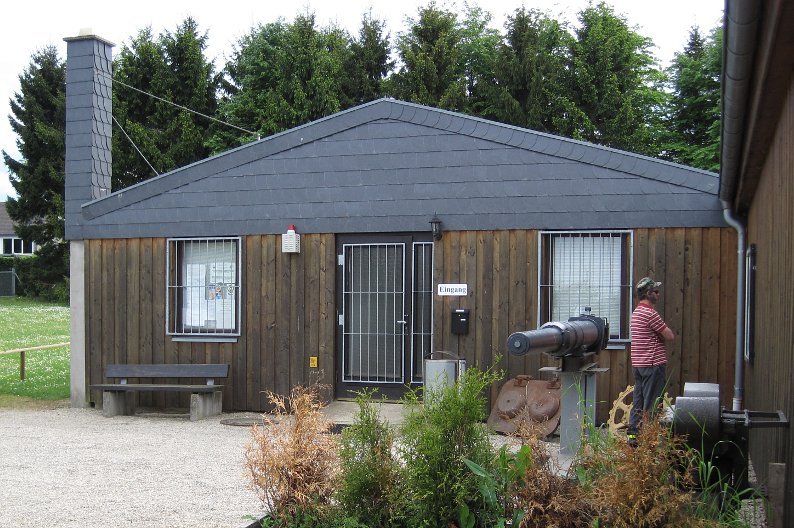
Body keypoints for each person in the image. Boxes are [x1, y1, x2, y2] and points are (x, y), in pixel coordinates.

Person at [627, 277, 675, 447]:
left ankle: (633, 439)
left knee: (638, 403)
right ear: (648, 294)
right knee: (652, 405)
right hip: (653, 365)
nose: (658, 294)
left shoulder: (636, 313)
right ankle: (649, 443)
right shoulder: (650, 313)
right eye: (655, 291)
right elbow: (669, 335)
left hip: (639, 366)